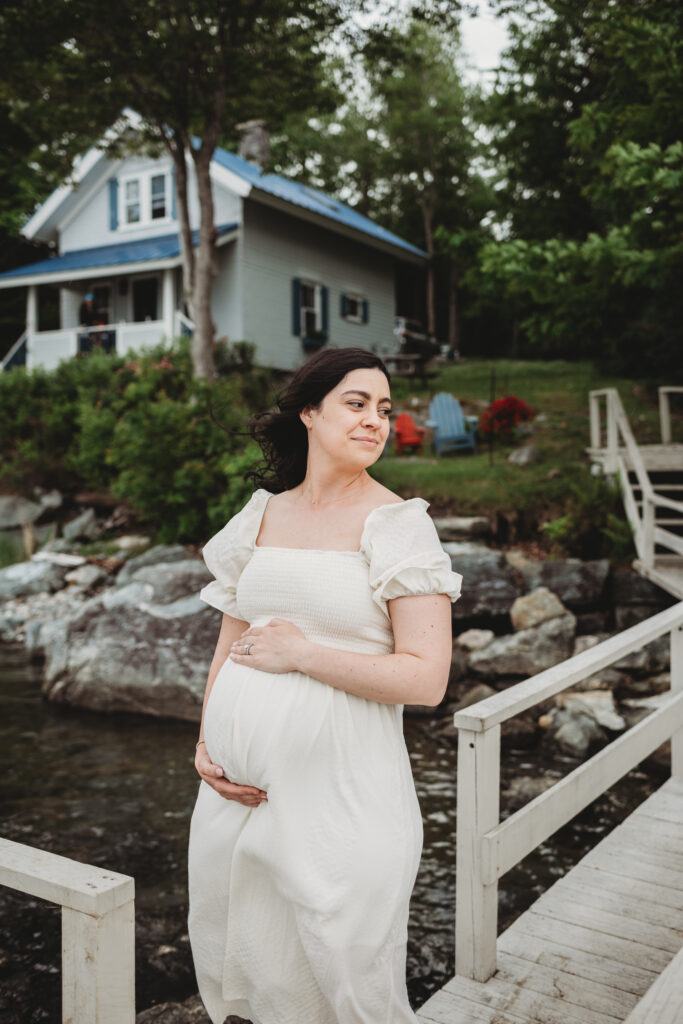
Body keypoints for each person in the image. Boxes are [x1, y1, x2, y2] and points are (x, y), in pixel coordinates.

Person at [188, 347, 462, 1024]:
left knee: (346, 982)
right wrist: (206, 744)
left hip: (344, 799)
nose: (375, 421)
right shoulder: (261, 515)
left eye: (384, 409)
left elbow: (426, 679)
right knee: (255, 970)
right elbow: (230, 643)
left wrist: (303, 654)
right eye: (356, 403)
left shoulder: (398, 525)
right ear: (309, 413)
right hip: (235, 799)